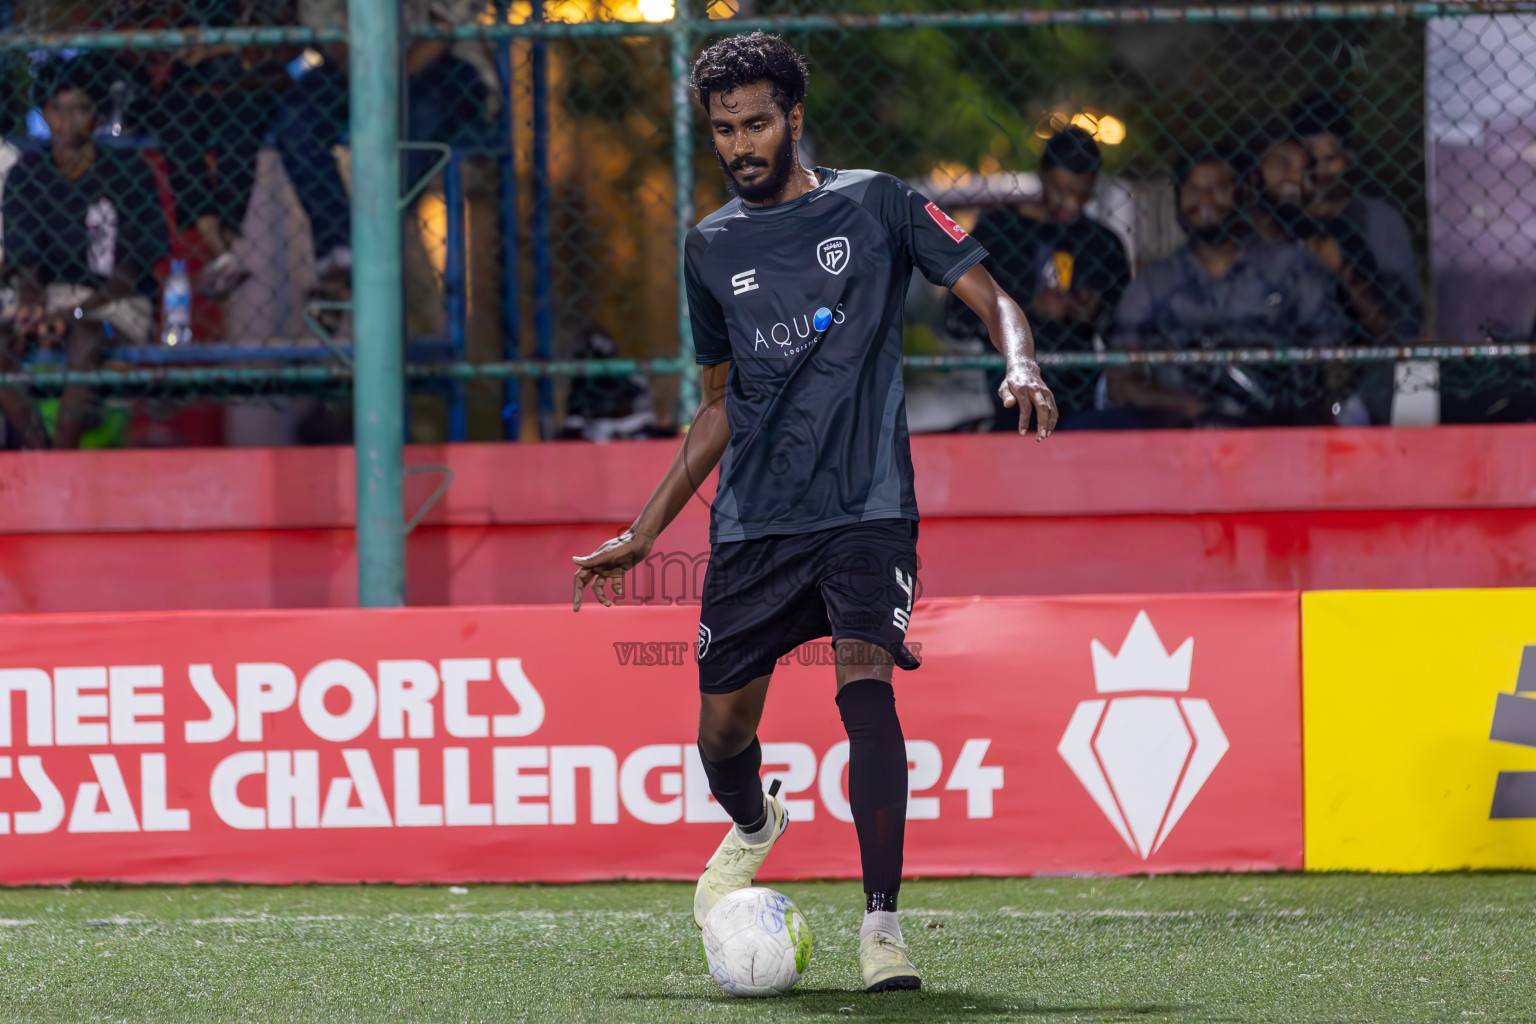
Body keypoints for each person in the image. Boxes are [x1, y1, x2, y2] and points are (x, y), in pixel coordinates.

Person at [569, 33, 1055, 993]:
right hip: (756, 520)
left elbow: (990, 295)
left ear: (795, 116)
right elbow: (720, 403)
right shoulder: (709, 246)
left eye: (755, 123)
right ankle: (756, 825)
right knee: (720, 733)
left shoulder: (877, 203)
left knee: (864, 678)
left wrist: (1022, 360)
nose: (740, 144)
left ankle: (882, 928)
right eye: (722, 130)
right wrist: (645, 531)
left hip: (868, 503)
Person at [1098, 148, 1350, 428]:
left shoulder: (1290, 267)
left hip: (1277, 427)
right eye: (1193, 190)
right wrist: (1188, 405)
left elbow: (1333, 354)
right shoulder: (1154, 283)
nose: (1205, 199)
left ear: (1242, 196)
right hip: (1180, 436)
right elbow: (1120, 381)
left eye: (1219, 189)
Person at [0, 55, 166, 449]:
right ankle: (36, 447)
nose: (69, 120)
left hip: (114, 307)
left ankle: (62, 456)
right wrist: (33, 304)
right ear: (44, 112)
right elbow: (26, 260)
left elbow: (128, 274)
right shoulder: (28, 174)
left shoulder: (129, 173)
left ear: (97, 115)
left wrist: (75, 313)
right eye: (59, 109)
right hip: (54, 299)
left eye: (82, 109)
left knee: (87, 336)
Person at [945, 126, 1130, 425]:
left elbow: (1126, 333)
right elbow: (957, 319)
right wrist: (1028, 308)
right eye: (1060, 190)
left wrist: (1094, 312)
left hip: (1078, 396)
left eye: (1081, 195)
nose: (1068, 204)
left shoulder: (1101, 244)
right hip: (1007, 391)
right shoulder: (998, 233)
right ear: (1043, 176)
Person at [1290, 94, 1423, 339]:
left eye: (1330, 160)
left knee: (1418, 367)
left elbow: (1405, 317)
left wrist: (1346, 271)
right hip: (1301, 353)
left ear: (1349, 159)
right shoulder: (1286, 218)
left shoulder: (1379, 219)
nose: (1319, 173)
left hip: (1376, 349)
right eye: (1310, 162)